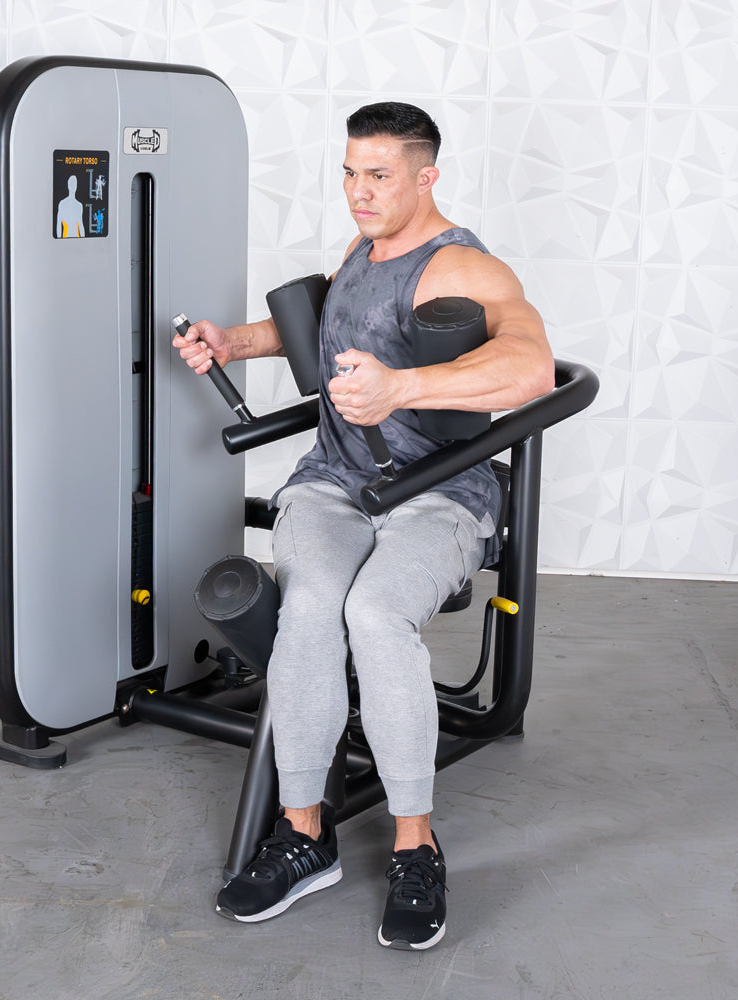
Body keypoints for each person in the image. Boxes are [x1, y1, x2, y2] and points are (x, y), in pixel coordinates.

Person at [173, 102, 554, 950]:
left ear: (427, 177)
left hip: (437, 492)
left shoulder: (461, 267)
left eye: (379, 176)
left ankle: (415, 845)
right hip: (335, 485)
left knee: (374, 614)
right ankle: (305, 834)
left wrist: (402, 388)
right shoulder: (363, 247)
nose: (358, 192)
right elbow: (326, 329)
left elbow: (530, 366)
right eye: (350, 173)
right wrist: (234, 342)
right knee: (310, 610)